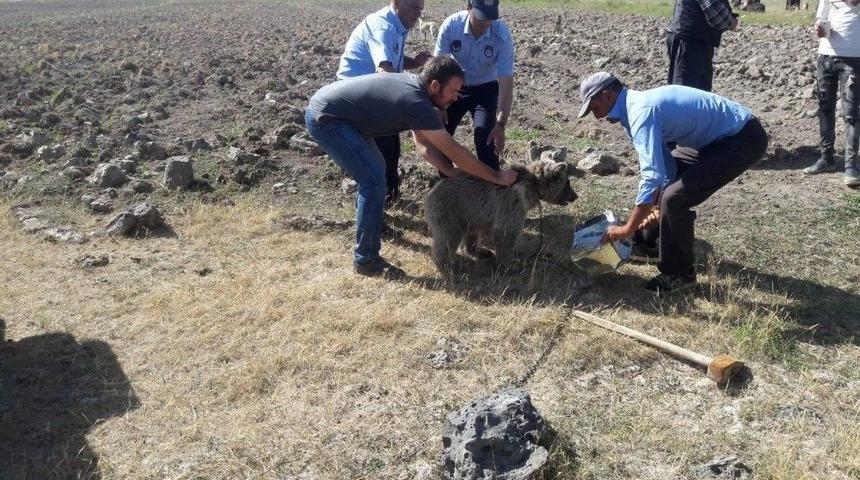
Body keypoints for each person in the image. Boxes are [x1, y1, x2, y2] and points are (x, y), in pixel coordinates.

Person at [306, 56, 518, 277]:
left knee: (376, 169)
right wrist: (497, 177)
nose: (457, 97)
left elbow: (422, 145)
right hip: (327, 118)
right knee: (374, 180)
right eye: (454, 91)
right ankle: (366, 260)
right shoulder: (417, 102)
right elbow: (454, 150)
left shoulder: (416, 92)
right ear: (435, 85)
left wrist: (450, 171)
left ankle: (373, 228)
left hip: (335, 112)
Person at [578, 72, 768, 293]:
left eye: (594, 108)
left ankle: (679, 273)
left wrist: (628, 228)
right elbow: (665, 168)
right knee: (669, 190)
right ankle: (649, 244)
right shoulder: (632, 113)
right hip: (713, 140)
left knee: (675, 198)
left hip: (742, 138)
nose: (597, 117)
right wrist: (656, 210)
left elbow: (651, 177)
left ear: (607, 95)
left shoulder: (641, 113)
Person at [337, 0, 433, 203]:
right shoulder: (384, 26)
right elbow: (384, 72)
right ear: (397, 2)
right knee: (382, 151)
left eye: (421, 8)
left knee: (392, 145)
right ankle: (377, 199)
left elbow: (393, 58)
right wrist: (411, 104)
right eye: (413, 6)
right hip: (355, 97)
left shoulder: (398, 24)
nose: (417, 13)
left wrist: (414, 62)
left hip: (371, 91)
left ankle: (390, 197)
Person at [432, 0, 514, 170]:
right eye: (480, 17)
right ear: (468, 8)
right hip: (455, 87)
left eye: (490, 18)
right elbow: (437, 68)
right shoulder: (451, 26)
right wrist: (438, 105)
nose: (485, 23)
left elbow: (506, 80)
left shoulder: (502, 35)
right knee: (442, 133)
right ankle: (448, 180)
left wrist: (501, 124)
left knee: (486, 137)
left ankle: (493, 187)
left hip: (485, 88)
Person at [802, 0, 860, 188]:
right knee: (825, 107)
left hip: (854, 56)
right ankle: (826, 157)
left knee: (851, 113)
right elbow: (822, 16)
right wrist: (819, 26)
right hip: (826, 54)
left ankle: (851, 165)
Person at [666, 0, 739, 92]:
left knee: (695, 94)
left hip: (692, 39)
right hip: (690, 42)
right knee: (686, 93)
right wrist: (731, 22)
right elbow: (715, 14)